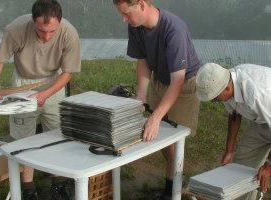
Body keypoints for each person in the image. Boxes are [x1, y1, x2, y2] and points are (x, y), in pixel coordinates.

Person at [0, 0, 81, 199]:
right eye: (41, 31)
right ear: (32, 22)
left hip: (54, 81)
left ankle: (58, 182)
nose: (46, 36)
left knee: (56, 133)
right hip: (23, 81)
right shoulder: (16, 29)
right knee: (23, 137)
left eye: (52, 31)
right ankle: (28, 187)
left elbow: (69, 72)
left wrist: (46, 94)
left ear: (60, 23)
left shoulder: (69, 33)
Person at [113, 0, 201, 199]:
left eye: (126, 13)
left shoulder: (174, 29)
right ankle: (173, 183)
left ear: (142, 5)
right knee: (161, 140)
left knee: (177, 138)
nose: (123, 18)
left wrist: (156, 117)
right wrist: (141, 96)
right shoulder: (135, 26)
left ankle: (174, 191)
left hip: (185, 83)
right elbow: (143, 61)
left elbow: (177, 80)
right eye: (121, 14)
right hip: (160, 80)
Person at [195, 63, 271, 199]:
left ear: (228, 88)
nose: (213, 101)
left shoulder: (258, 94)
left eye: (215, 98)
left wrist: (269, 165)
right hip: (260, 120)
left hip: (266, 108)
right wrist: (229, 150)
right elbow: (234, 114)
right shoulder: (222, 80)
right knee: (241, 169)